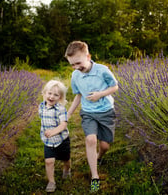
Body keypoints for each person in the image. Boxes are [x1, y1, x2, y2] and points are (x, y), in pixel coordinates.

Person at [65, 41, 118, 192]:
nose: (75, 67)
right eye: (72, 65)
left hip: (106, 111)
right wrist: (68, 113)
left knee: (105, 145)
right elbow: (78, 95)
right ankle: (95, 176)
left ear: (88, 57)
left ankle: (100, 155)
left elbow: (115, 86)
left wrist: (100, 94)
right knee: (90, 139)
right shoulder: (75, 75)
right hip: (88, 113)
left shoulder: (102, 70)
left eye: (78, 63)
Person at [38, 80, 71, 193]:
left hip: (62, 140)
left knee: (66, 159)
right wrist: (46, 133)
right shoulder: (41, 107)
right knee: (49, 161)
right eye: (49, 93)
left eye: (56, 95)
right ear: (44, 93)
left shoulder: (61, 109)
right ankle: (51, 181)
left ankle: (66, 170)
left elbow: (63, 124)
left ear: (60, 97)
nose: (51, 97)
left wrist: (53, 131)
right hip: (48, 141)